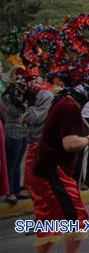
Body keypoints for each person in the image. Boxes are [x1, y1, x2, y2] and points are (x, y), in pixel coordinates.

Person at [30, 84, 89, 253]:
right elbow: (70, 144)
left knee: (48, 222)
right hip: (53, 173)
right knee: (77, 218)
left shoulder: (62, 103)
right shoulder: (69, 108)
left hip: (42, 170)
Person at [2, 66, 31, 204]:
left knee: (18, 162)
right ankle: (10, 192)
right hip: (13, 131)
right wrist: (23, 105)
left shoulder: (24, 95)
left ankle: (16, 189)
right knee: (11, 163)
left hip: (23, 131)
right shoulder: (8, 96)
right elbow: (11, 112)